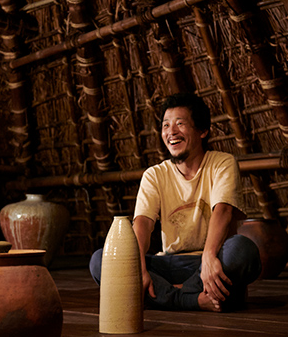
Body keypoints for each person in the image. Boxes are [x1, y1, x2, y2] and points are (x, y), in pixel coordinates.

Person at [90, 93, 261, 312]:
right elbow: (142, 224)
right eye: (166, 125)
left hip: (210, 261)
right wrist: (139, 267)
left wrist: (209, 258)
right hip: (168, 264)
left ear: (202, 131)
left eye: (180, 124)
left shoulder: (222, 163)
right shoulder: (154, 175)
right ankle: (194, 299)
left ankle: (164, 295)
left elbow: (224, 210)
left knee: (242, 250)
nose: (171, 132)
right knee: (101, 260)